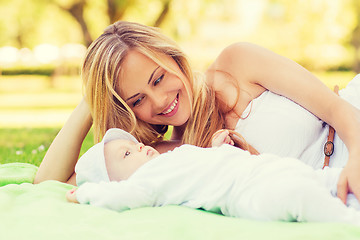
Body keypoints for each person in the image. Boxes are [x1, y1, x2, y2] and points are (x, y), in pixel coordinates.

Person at [34, 21, 360, 206]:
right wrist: (91, 102)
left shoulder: (238, 64)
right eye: (137, 100)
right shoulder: (163, 156)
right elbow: (48, 182)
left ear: (173, 57)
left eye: (158, 78)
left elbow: (338, 110)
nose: (160, 101)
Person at [66, 128, 360, 225]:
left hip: (263, 168)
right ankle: (348, 222)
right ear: (114, 181)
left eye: (135, 144)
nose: (140, 147)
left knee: (322, 180)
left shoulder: (172, 159)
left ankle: (343, 196)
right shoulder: (144, 184)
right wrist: (85, 194)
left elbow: (203, 163)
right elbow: (122, 198)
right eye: (126, 155)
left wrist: (218, 148)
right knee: (298, 196)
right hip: (245, 193)